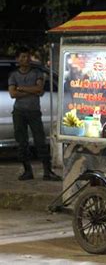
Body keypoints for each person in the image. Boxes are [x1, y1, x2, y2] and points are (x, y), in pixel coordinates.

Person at [8, 47, 62, 181]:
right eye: (22, 57)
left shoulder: (36, 73)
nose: (25, 59)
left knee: (40, 141)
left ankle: (47, 171)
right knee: (22, 142)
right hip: (19, 112)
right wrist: (32, 91)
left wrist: (21, 88)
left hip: (34, 112)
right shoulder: (14, 75)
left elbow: (39, 89)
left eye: (27, 57)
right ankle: (27, 171)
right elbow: (12, 93)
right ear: (17, 59)